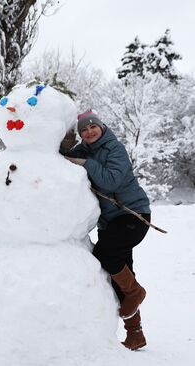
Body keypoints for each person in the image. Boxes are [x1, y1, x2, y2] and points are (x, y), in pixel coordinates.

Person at [63, 110, 151, 351]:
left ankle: (136, 292)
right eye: (84, 130)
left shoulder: (115, 149)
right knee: (119, 276)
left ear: (102, 128)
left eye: (93, 127)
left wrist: (86, 164)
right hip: (110, 223)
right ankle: (135, 333)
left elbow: (111, 180)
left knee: (105, 255)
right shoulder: (84, 150)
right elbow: (62, 159)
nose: (89, 131)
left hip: (134, 215)